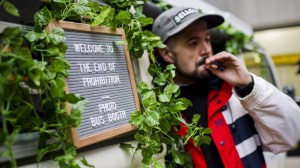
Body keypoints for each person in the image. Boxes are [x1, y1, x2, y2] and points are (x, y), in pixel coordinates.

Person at [152, 7, 300, 168]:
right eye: (193, 43)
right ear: (167, 54)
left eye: (207, 39)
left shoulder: (236, 94)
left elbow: (292, 135)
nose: (206, 50)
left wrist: (248, 85)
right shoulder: (156, 108)